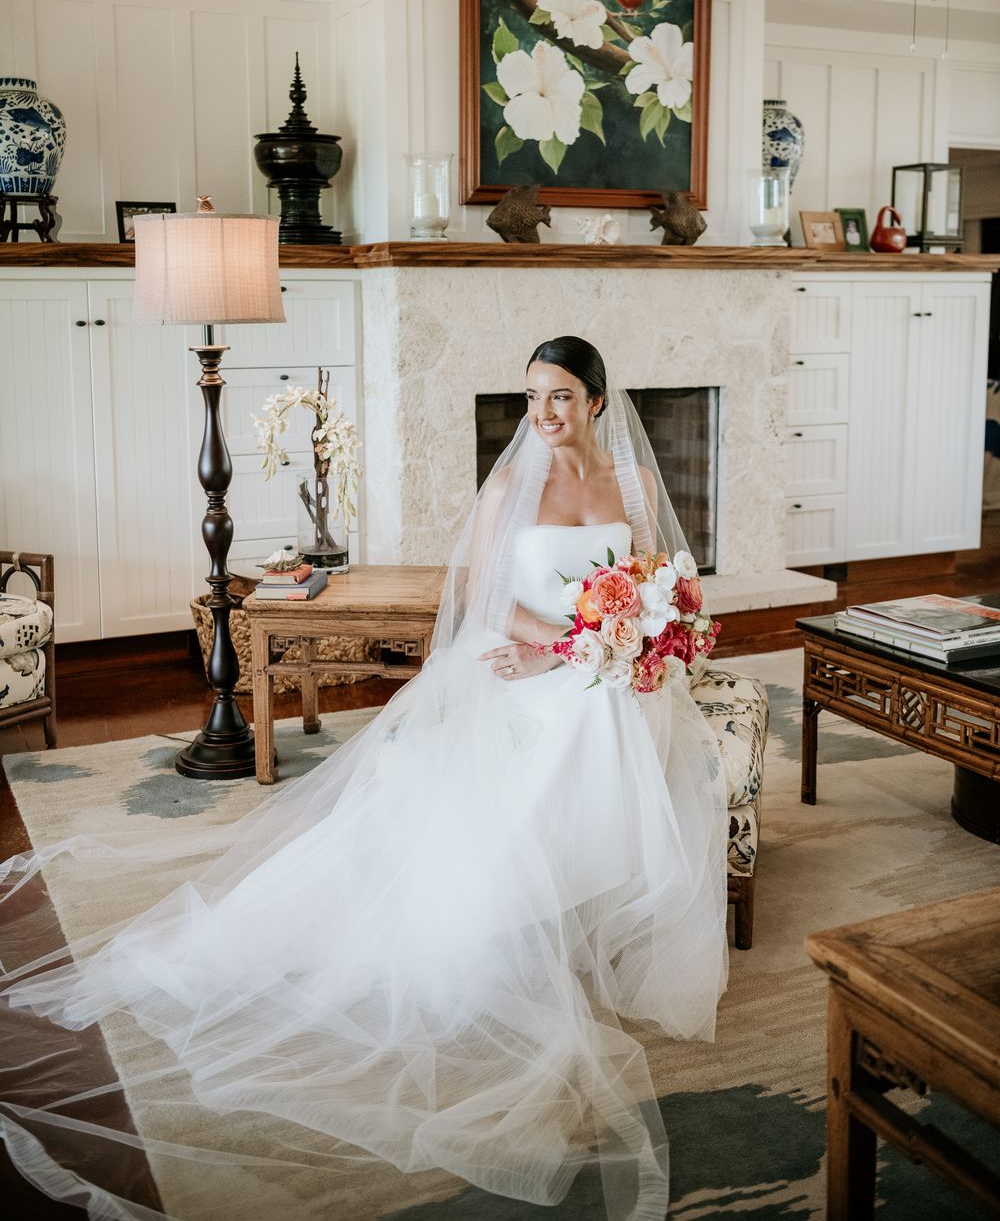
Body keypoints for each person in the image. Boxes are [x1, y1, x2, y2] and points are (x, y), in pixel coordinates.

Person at [0, 337, 728, 1221]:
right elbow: (492, 600)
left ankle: (589, 897)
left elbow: (656, 580)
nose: (544, 414)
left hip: (602, 663)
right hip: (524, 657)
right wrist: (567, 649)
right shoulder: (513, 486)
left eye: (563, 397)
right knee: (587, 717)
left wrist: (643, 636)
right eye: (533, 394)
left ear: (599, 403)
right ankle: (527, 906)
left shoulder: (637, 487)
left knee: (618, 710)